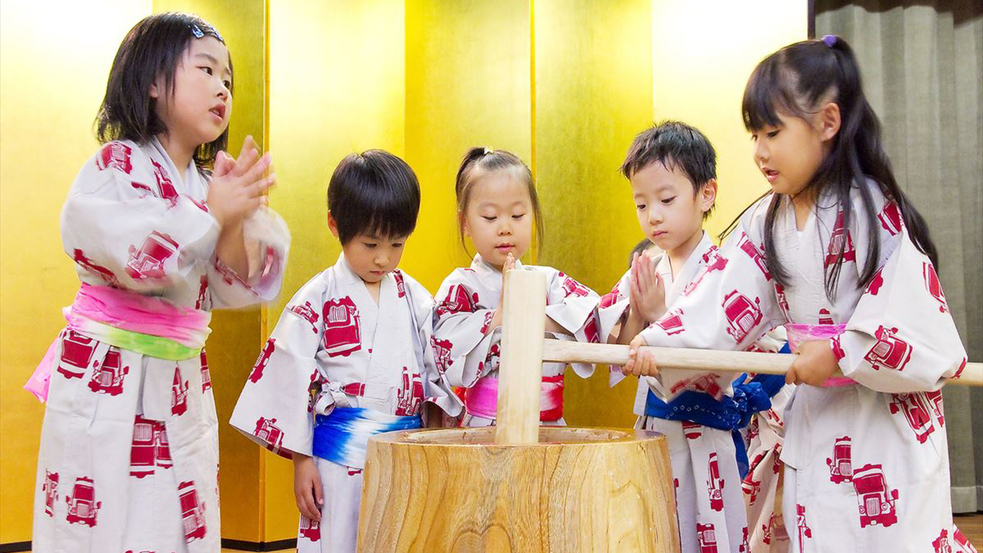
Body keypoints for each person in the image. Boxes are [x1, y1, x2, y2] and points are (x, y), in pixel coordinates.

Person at [624, 36, 972, 552]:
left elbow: (916, 324)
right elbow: (721, 301)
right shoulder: (767, 221)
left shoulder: (874, 214)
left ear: (828, 123)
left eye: (773, 132)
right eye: (754, 135)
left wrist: (839, 352)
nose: (760, 151)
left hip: (886, 425)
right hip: (818, 420)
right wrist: (662, 344)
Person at [28, 13, 288, 553]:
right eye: (207, 70)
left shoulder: (202, 184)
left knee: (175, 520)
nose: (223, 87)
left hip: (178, 376)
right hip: (109, 373)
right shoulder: (115, 165)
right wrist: (212, 214)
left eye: (229, 80)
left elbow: (233, 285)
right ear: (151, 81)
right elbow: (140, 261)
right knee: (101, 520)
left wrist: (233, 220)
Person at [230, 150, 460, 552]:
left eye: (397, 244)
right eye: (370, 243)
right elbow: (289, 375)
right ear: (335, 225)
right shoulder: (317, 297)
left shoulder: (415, 298)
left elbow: (439, 363)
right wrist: (301, 461)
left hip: (403, 457)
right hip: (335, 464)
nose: (383, 258)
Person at [432, 147, 602, 427]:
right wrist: (500, 315)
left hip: (548, 429)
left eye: (518, 215)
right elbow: (441, 354)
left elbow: (595, 314)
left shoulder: (550, 282)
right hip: (483, 429)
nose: (505, 228)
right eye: (490, 217)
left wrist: (532, 315)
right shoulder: (460, 287)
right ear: (465, 223)